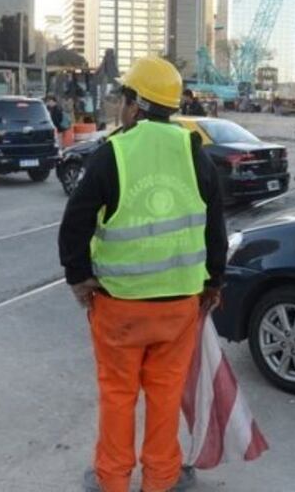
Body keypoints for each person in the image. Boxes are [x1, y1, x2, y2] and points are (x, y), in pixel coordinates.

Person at [59, 55, 226, 492]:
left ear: (136, 104)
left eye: (123, 98)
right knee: (165, 394)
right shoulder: (194, 153)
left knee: (117, 395)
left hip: (120, 307)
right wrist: (214, 282)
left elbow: (74, 222)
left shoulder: (113, 152)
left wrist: (79, 277)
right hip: (179, 308)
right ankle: (160, 479)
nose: (119, 107)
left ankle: (112, 480)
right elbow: (215, 225)